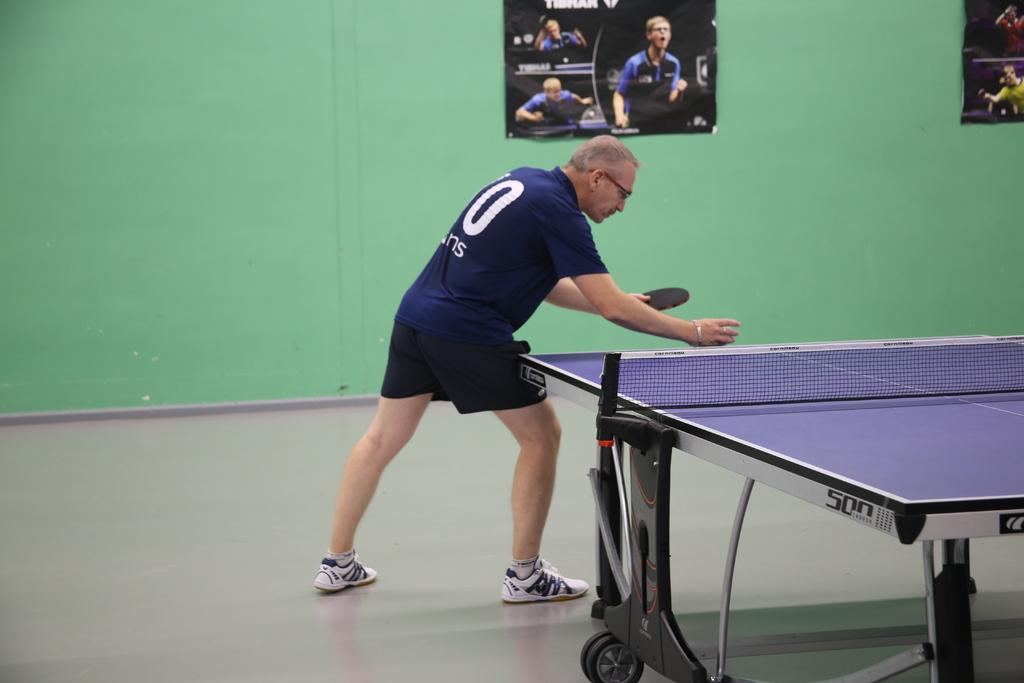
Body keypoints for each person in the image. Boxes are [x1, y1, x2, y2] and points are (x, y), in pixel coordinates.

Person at [314, 136, 740, 603]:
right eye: (623, 193)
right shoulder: (560, 212)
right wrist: (691, 331)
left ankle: (337, 563)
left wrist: (612, 300)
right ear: (597, 177)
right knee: (542, 436)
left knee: (380, 439)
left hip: (416, 318)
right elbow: (613, 309)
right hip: (467, 330)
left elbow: (550, 284)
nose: (622, 205)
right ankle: (525, 576)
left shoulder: (527, 182)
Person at [612, 16, 687, 130]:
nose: (663, 32)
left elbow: (673, 99)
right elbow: (619, 94)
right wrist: (619, 116)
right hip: (637, 121)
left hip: (664, 121)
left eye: (666, 29)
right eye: (658, 29)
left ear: (670, 35)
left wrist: (680, 92)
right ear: (649, 35)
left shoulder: (674, 63)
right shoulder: (634, 63)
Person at [516, 77, 595, 124]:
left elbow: (573, 96)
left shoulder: (565, 94)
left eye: (559, 91)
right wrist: (534, 118)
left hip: (566, 123)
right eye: (554, 92)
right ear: (546, 92)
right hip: (548, 126)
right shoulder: (538, 99)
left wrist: (582, 101)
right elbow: (520, 112)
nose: (558, 94)